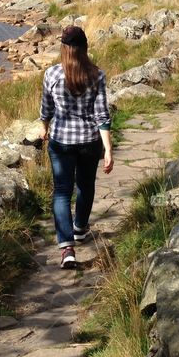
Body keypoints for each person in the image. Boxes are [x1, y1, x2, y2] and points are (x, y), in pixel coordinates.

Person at [39, 25, 114, 269]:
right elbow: (102, 115)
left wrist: (44, 126)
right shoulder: (97, 75)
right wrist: (108, 150)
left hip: (61, 141)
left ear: (63, 48)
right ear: (85, 48)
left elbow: (46, 109)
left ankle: (67, 249)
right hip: (89, 142)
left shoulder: (51, 75)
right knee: (85, 186)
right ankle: (80, 228)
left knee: (62, 192)